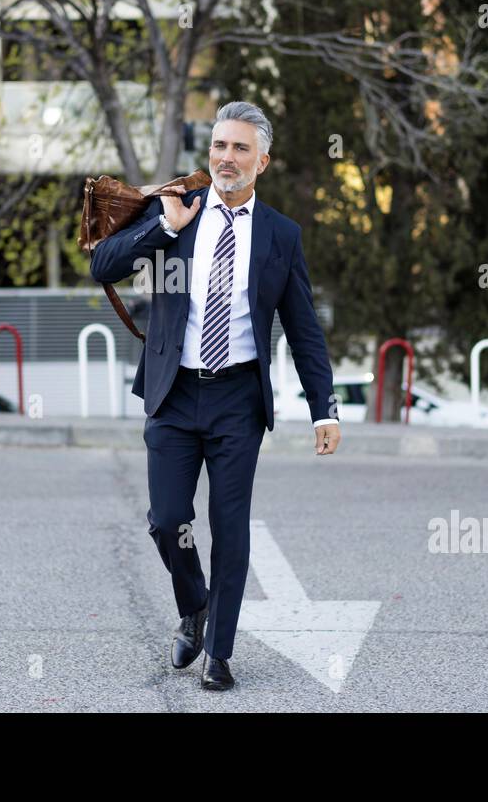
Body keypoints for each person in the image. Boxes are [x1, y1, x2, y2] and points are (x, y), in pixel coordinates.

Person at [90, 100, 340, 691]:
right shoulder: (179, 212)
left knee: (231, 527)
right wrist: (165, 226)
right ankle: (193, 603)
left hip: (236, 401)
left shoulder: (282, 235)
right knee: (167, 520)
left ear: (263, 161)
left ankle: (219, 653)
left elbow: (304, 330)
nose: (227, 158)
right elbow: (103, 263)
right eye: (220, 146)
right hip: (174, 395)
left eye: (240, 149)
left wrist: (323, 409)